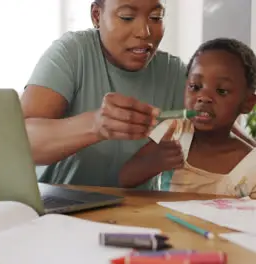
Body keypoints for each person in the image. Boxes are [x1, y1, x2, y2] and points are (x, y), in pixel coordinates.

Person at [21, 0, 255, 189]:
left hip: (135, 214)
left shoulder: (174, 73)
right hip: (58, 212)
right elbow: (20, 144)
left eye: (156, 17)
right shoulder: (72, 54)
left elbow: (223, 127)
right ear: (96, 15)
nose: (144, 32)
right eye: (126, 17)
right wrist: (95, 125)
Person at [119, 38, 256, 198]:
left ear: (248, 103)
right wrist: (153, 162)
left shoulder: (251, 167)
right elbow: (125, 178)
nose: (203, 97)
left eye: (222, 91)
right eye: (195, 87)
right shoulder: (174, 131)